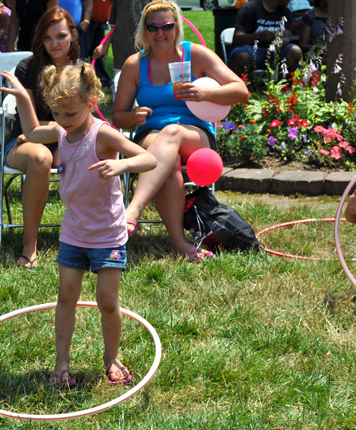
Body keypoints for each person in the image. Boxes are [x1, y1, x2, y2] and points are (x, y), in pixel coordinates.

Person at [1, 64, 156, 386]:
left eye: (69, 113)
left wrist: (122, 163)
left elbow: (148, 159)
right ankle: (61, 364)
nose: (63, 121)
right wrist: (21, 97)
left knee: (107, 301)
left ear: (91, 101)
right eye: (56, 113)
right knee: (66, 296)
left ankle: (111, 356)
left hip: (107, 235)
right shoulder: (60, 131)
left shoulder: (102, 133)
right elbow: (30, 134)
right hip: (73, 233)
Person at [112, 0, 249, 262]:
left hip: (194, 133)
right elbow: (118, 116)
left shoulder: (195, 54)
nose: (160, 33)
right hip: (150, 133)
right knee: (168, 158)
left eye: (167, 26)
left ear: (177, 27)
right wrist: (133, 116)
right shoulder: (135, 64)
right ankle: (179, 243)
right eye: (153, 27)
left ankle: (132, 211)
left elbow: (241, 91)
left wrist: (204, 92)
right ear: (144, 30)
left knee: (171, 133)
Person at [4, 7, 79, 268]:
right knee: (40, 156)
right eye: (47, 38)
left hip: (69, 140)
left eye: (60, 36)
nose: (54, 44)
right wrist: (54, 133)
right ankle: (29, 246)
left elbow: (84, 121)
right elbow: (29, 125)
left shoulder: (81, 70)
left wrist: (62, 138)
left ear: (73, 34)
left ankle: (96, 236)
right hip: (25, 141)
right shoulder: (28, 67)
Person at [230, 0, 302, 79]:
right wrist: (257, 36)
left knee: (296, 51)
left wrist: (283, 40)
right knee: (242, 56)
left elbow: (287, 35)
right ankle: (243, 86)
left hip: (275, 51)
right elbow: (236, 38)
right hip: (251, 49)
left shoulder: (285, 12)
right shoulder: (249, 8)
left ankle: (283, 86)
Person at [92, 0, 149, 97]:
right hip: (122, 52)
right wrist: (105, 45)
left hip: (148, 53)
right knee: (121, 94)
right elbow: (115, 25)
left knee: (146, 94)